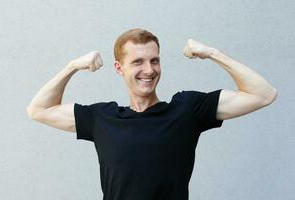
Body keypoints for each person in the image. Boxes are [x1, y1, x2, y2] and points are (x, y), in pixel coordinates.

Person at [27, 28, 277, 200]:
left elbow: (263, 94)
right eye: (138, 62)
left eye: (154, 60)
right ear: (119, 68)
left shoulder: (187, 110)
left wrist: (212, 53)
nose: (149, 70)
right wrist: (73, 66)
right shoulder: (101, 119)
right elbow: (38, 109)